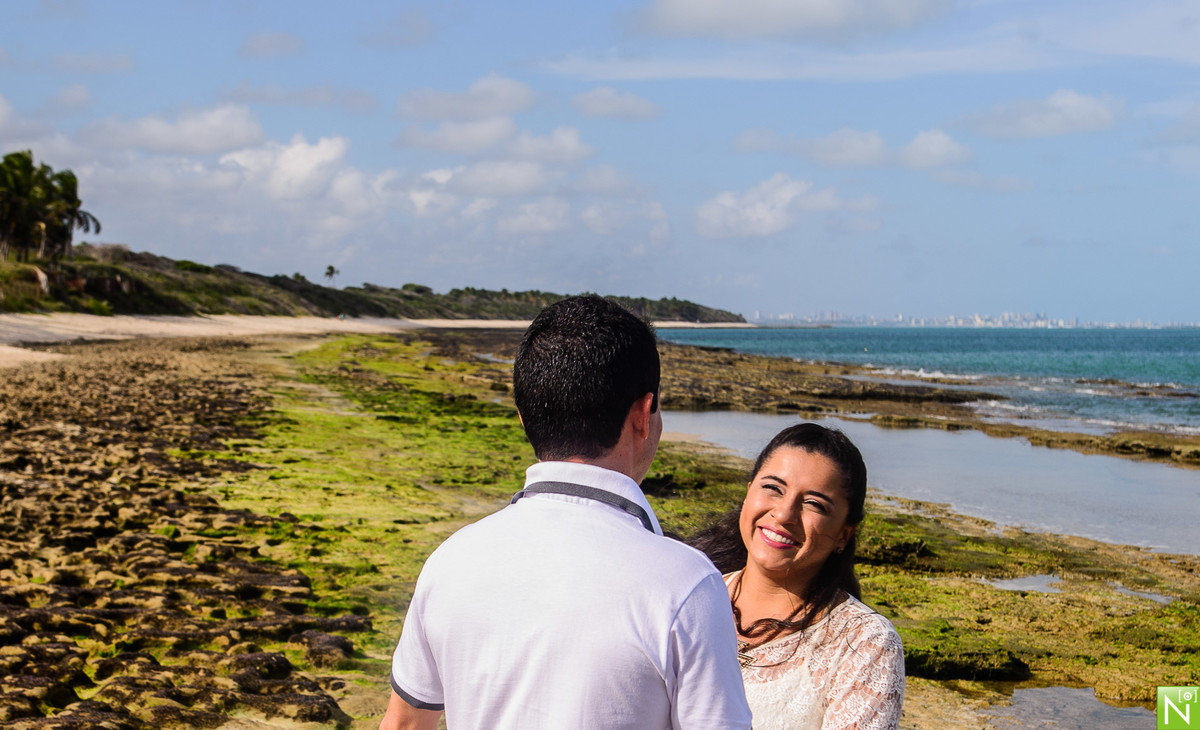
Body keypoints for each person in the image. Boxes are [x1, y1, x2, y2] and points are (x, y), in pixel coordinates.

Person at [381, 295, 753, 730]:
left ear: (524, 417)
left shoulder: (450, 560)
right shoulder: (686, 584)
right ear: (643, 414)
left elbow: (404, 723)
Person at [690, 423, 905, 730]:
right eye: (773, 488)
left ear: (845, 533)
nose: (784, 513)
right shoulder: (690, 598)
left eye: (814, 504)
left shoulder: (864, 643)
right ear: (749, 491)